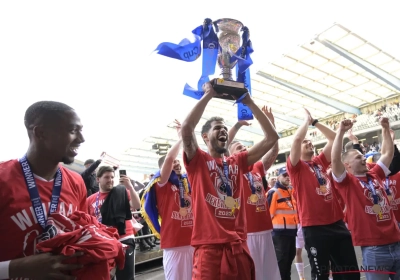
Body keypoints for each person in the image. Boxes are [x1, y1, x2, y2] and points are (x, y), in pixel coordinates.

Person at [181, 81, 279, 280]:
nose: (223, 130)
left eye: (225, 128)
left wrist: (249, 102)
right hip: (209, 250)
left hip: (239, 247)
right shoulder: (198, 160)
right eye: (218, 128)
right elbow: (186, 128)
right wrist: (208, 95)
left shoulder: (238, 162)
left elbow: (271, 137)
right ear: (206, 137)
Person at [0, 101, 87, 280]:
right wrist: (14, 268)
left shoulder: (76, 182)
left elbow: (84, 238)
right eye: (73, 130)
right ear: (41, 133)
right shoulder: (3, 180)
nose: (81, 139)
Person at [286, 108, 359, 280]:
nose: (309, 142)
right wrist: (305, 120)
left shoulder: (318, 162)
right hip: (315, 227)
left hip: (337, 223)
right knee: (321, 274)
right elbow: (296, 139)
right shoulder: (295, 168)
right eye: (306, 142)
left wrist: (315, 122)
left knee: (349, 271)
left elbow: (334, 139)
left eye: (310, 141)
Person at [331, 118, 400, 279]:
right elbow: (335, 160)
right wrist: (340, 132)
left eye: (362, 156)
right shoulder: (346, 182)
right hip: (374, 249)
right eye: (358, 158)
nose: (363, 159)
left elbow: (388, 154)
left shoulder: (375, 174)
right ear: (347, 165)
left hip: (396, 242)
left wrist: (385, 129)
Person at [227, 108, 281, 280]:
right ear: (230, 155)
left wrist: (271, 125)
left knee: (270, 275)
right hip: (246, 233)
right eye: (237, 148)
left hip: (265, 229)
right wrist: (236, 126)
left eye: (244, 146)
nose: (243, 148)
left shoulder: (257, 167)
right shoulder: (229, 169)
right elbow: (219, 149)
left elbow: (273, 152)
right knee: (253, 274)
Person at [141, 120, 194, 280]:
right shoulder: (161, 183)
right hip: (174, 244)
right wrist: (182, 137)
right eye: (173, 163)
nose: (177, 164)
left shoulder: (187, 181)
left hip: (194, 241)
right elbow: (170, 157)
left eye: (179, 163)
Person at [87, 166, 140, 280]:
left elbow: (137, 205)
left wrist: (129, 186)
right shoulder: (90, 200)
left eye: (112, 177)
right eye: (106, 177)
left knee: (125, 277)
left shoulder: (122, 192)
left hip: (124, 239)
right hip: (103, 242)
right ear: (98, 179)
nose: (110, 180)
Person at [267, 167, 298, 280]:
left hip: (291, 233)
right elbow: (267, 215)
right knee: (282, 263)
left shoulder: (290, 191)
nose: (287, 177)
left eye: (288, 175)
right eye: (284, 175)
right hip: (279, 234)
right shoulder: (273, 192)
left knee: (289, 261)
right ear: (278, 177)